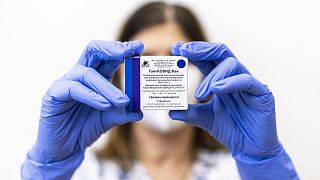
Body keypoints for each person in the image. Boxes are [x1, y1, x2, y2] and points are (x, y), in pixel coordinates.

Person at [21, 1, 299, 180]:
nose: (160, 70)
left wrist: (262, 163)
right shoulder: (84, 173)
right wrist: (50, 166)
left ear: (204, 68)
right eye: (145, 60)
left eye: (176, 60)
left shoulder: (239, 171)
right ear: (117, 72)